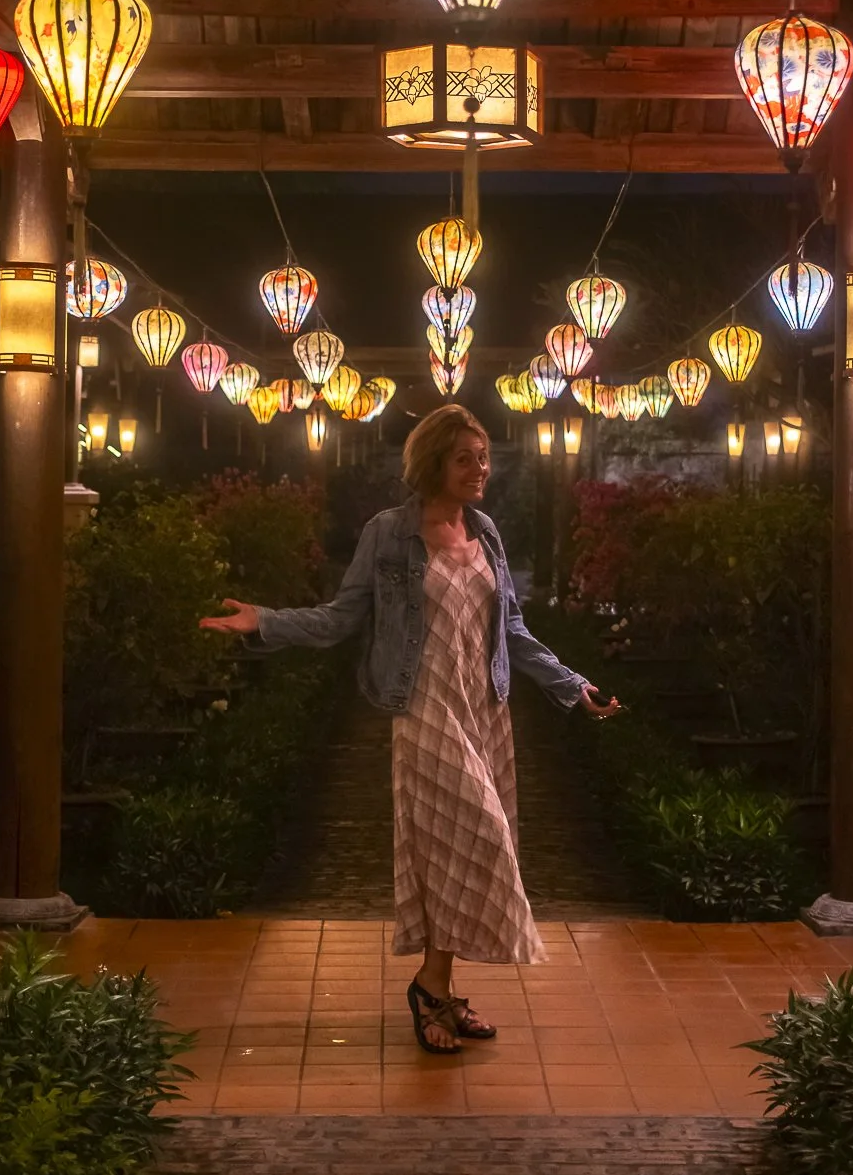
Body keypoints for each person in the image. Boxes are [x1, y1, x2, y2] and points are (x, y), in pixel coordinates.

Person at [200, 402, 619, 1053]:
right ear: (432, 463)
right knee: (478, 834)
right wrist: (266, 622)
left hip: (485, 712)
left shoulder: (486, 533)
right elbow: (342, 617)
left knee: (452, 858)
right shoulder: (388, 533)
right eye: (464, 458)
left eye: (483, 457)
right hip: (424, 712)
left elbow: (512, 631)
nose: (479, 469)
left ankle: (439, 990)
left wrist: (572, 685)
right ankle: (431, 985)